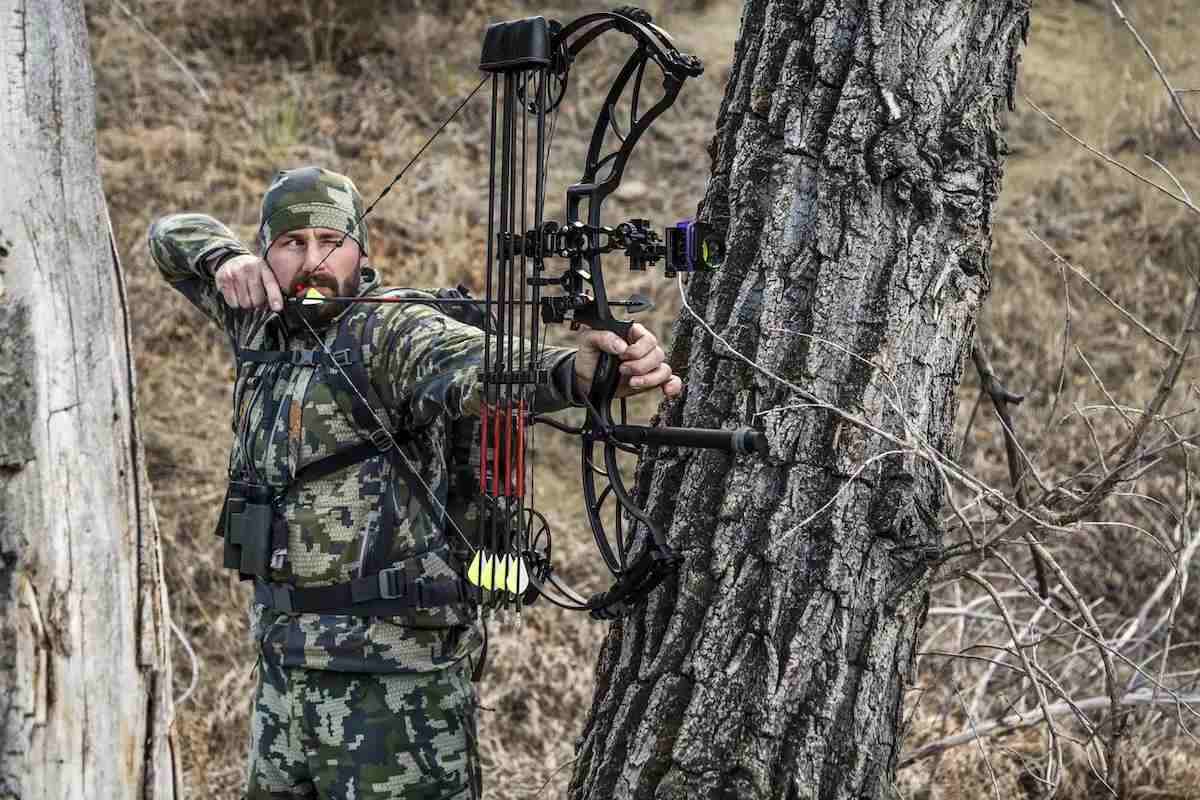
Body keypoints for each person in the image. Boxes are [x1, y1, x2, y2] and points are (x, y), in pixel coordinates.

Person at [148, 166, 681, 799]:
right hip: (283, 675)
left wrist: (577, 373)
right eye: (292, 243)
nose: (313, 260)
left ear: (360, 250)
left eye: (330, 241)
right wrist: (222, 259)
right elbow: (168, 236)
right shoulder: (260, 320)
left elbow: (485, 364)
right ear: (267, 254)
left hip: (395, 686)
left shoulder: (389, 330)